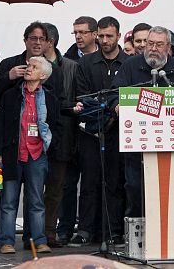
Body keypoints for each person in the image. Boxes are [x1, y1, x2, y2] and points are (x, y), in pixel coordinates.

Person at [113, 26, 174, 219]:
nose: (153, 48)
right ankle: (136, 234)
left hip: (171, 145)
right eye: (150, 43)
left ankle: (169, 233)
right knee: (135, 187)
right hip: (137, 144)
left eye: (159, 44)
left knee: (171, 188)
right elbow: (113, 94)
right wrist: (117, 104)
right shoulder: (130, 66)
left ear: (168, 47)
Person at [69, 17, 129, 247]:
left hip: (118, 134)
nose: (104, 40)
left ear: (118, 36)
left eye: (109, 36)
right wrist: (106, 108)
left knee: (115, 182)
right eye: (101, 36)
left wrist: (111, 109)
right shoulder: (85, 63)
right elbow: (84, 98)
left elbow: (126, 96)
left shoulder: (129, 63)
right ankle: (85, 229)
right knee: (89, 182)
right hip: (91, 132)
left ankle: (113, 231)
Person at [0, 57, 58, 254]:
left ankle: (39, 240)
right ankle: (6, 242)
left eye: (34, 67)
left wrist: (51, 146)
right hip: (12, 154)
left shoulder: (50, 98)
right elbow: (0, 124)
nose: (29, 69)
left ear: (43, 75)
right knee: (8, 201)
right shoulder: (11, 95)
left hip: (37, 155)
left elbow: (56, 126)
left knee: (37, 201)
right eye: (29, 65)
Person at [40, 22, 79, 249]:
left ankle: (50, 232)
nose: (36, 44)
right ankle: (34, 232)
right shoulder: (26, 64)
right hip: (33, 136)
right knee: (35, 189)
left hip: (62, 136)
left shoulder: (71, 66)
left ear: (50, 42)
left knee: (56, 188)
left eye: (40, 39)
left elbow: (76, 99)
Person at [0, 22, 50, 102]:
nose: (38, 42)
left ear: (47, 43)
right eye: (33, 38)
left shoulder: (53, 69)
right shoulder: (8, 63)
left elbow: (57, 99)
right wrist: (8, 77)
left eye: (42, 39)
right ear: (25, 40)